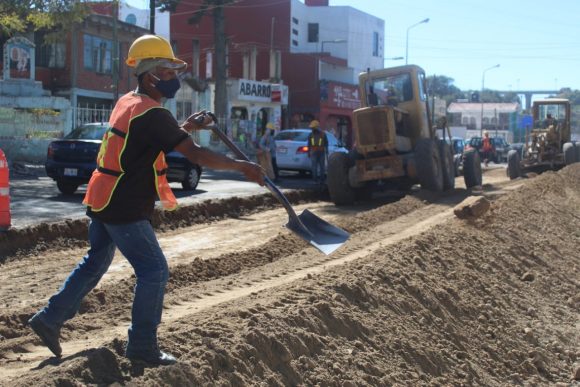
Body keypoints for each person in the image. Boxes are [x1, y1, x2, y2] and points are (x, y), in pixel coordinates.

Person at [27, 34, 264, 367]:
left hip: (102, 197)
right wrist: (242, 167)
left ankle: (49, 319)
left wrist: (185, 127)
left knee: (95, 262)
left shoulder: (129, 102)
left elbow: (148, 140)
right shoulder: (153, 114)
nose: (173, 79)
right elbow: (194, 155)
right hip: (124, 206)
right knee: (154, 271)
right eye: (167, 73)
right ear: (149, 75)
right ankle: (141, 346)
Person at [307, 120, 328, 184]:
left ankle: (321, 180)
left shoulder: (323, 134)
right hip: (315, 151)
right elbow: (309, 143)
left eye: (313, 128)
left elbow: (326, 143)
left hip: (320, 151)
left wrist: (326, 151)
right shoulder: (311, 135)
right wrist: (308, 151)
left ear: (316, 127)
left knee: (320, 166)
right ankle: (316, 180)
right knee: (315, 166)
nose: (312, 129)